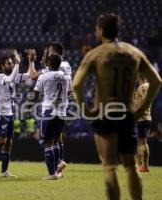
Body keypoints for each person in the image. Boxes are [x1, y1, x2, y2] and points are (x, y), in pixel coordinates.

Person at [72, 13, 162, 199]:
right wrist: (139, 110)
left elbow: (77, 85)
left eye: (97, 29)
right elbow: (156, 80)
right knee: (130, 166)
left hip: (105, 113)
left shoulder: (95, 54)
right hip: (127, 114)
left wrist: (86, 110)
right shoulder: (134, 52)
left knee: (109, 167)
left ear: (101, 30)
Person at [28, 42, 71, 177]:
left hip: (49, 111)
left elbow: (33, 77)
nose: (48, 54)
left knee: (44, 140)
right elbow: (70, 91)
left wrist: (28, 106)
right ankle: (59, 166)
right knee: (56, 139)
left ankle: (53, 170)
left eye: (50, 52)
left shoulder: (45, 74)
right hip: (62, 111)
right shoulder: (66, 73)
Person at [0, 50, 28, 178]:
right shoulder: (0, 77)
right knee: (1, 140)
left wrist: (32, 63)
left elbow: (28, 76)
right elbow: (9, 79)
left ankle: (4, 171)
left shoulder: (14, 76)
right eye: (8, 63)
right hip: (0, 114)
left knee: (9, 142)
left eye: (11, 63)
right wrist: (17, 63)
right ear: (3, 66)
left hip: (9, 114)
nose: (10, 65)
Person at [134, 74, 152, 172]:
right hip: (147, 117)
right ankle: (145, 166)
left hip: (142, 117)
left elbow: (143, 102)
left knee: (140, 142)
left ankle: (139, 165)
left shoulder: (143, 87)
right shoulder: (146, 86)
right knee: (144, 142)